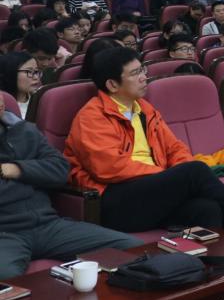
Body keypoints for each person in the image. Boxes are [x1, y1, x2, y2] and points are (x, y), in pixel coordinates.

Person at [63, 47, 224, 246]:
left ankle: (214, 280)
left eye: (143, 70)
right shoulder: (91, 117)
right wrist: (171, 178)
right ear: (112, 85)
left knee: (207, 209)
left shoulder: (144, 109)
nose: (144, 77)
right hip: (114, 202)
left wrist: (175, 180)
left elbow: (175, 148)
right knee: (194, 171)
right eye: (135, 73)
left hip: (151, 193)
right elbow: (110, 168)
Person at [0, 94, 143, 279]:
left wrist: (16, 170)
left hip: (49, 225)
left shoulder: (23, 130)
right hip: (6, 234)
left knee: (134, 248)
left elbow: (61, 170)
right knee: (7, 283)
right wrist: (37, 174)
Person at [0, 52, 42, 118]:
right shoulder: (2, 106)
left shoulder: (42, 100)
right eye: (29, 71)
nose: (36, 77)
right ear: (10, 73)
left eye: (36, 71)